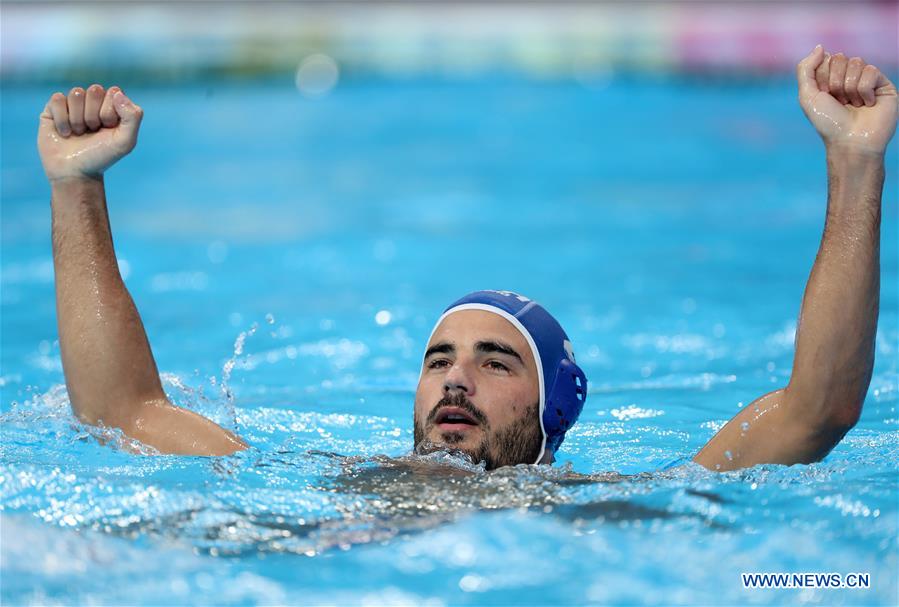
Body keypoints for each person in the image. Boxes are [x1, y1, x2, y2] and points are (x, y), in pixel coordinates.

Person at [37, 46, 896, 472]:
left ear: (554, 406)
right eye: (439, 359)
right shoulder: (333, 485)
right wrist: (77, 187)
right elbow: (121, 409)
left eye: (495, 361)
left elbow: (816, 411)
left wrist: (854, 165)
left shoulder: (602, 516)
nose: (455, 380)